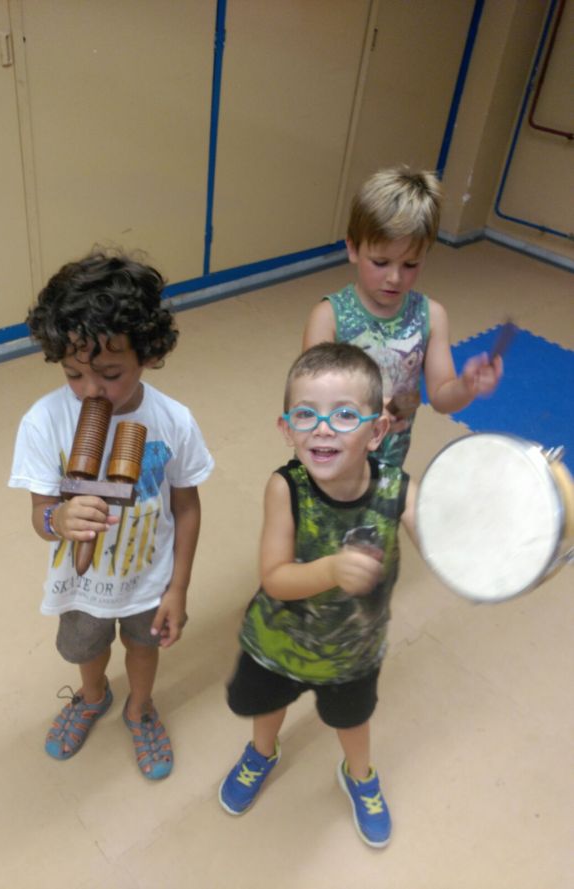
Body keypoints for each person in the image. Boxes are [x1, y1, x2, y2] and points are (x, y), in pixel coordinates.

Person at [9, 249, 214, 779]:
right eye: (74, 374)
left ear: (148, 354)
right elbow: (40, 513)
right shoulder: (43, 422)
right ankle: (93, 694)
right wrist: (58, 521)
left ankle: (140, 707)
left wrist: (179, 587)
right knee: (88, 647)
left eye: (109, 373)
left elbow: (187, 506)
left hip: (149, 578)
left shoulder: (173, 421)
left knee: (144, 647)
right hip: (81, 583)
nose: (90, 391)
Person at [219, 341, 419, 848]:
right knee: (268, 706)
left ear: (377, 432)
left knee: (353, 720)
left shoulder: (399, 489)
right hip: (279, 641)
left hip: (353, 652)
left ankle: (359, 775)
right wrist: (331, 569)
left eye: (345, 415)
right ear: (287, 429)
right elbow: (275, 578)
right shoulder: (285, 488)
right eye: (306, 414)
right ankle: (262, 753)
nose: (323, 428)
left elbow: (444, 543)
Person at [302, 166, 502, 467]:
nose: (395, 278)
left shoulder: (431, 316)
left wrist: (467, 385)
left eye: (410, 265)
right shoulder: (328, 317)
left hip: (388, 462)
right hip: (329, 460)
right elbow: (310, 396)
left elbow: (441, 397)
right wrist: (366, 410)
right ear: (353, 248)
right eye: (380, 262)